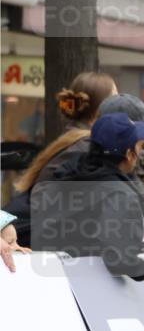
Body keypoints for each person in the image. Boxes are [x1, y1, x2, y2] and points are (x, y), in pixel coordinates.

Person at [35, 113, 144, 294]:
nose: (140, 152)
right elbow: (117, 257)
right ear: (129, 155)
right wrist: (141, 269)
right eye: (139, 147)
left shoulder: (72, 169)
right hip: (84, 290)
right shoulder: (118, 193)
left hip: (46, 279)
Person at [5, 72, 119, 244]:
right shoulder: (87, 144)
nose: (121, 105)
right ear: (101, 108)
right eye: (115, 98)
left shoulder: (75, 137)